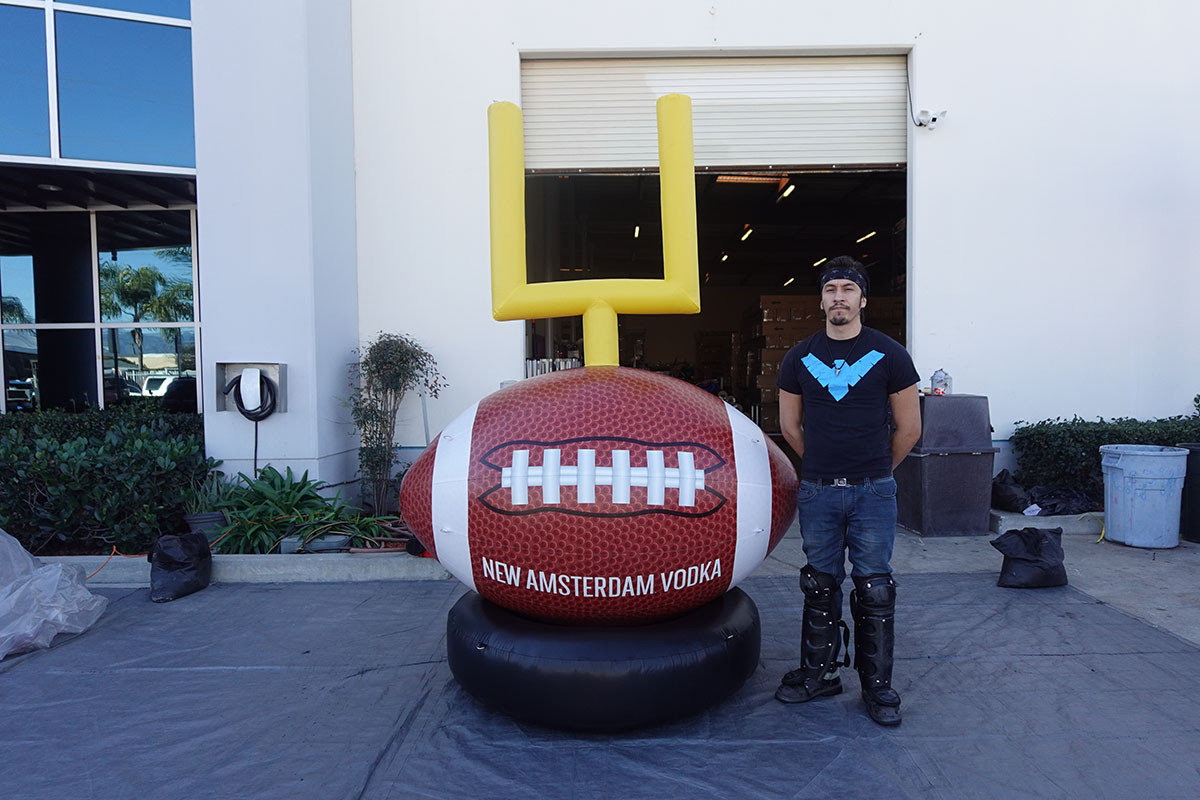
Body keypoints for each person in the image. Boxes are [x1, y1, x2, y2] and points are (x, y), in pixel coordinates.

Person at [773, 256, 921, 726]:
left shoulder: (890, 354)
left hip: (873, 492)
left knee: (875, 587)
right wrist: (822, 463)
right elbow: (789, 427)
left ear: (862, 299)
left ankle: (877, 688)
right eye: (831, 288)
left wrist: (876, 470)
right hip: (818, 490)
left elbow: (909, 428)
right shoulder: (798, 357)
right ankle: (819, 674)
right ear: (821, 299)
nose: (839, 297)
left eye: (848, 289)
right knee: (819, 583)